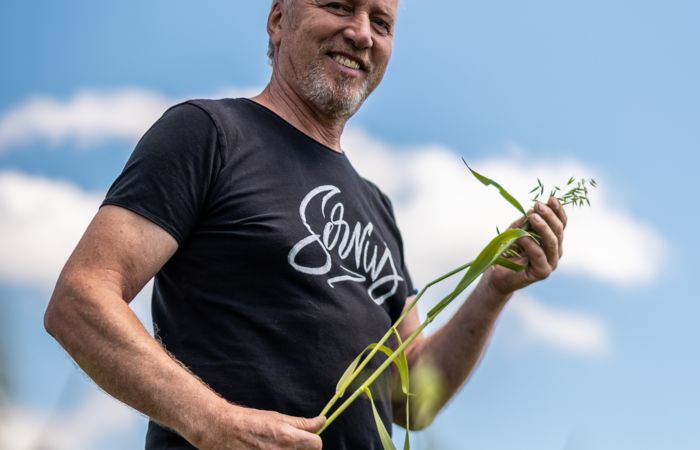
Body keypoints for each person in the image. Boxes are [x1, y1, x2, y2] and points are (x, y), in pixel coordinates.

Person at [43, 0, 568, 449]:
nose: (360, 33)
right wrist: (212, 421)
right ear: (277, 19)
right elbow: (80, 299)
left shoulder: (375, 207)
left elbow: (413, 398)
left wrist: (495, 288)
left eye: (381, 23)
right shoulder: (209, 135)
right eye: (338, 6)